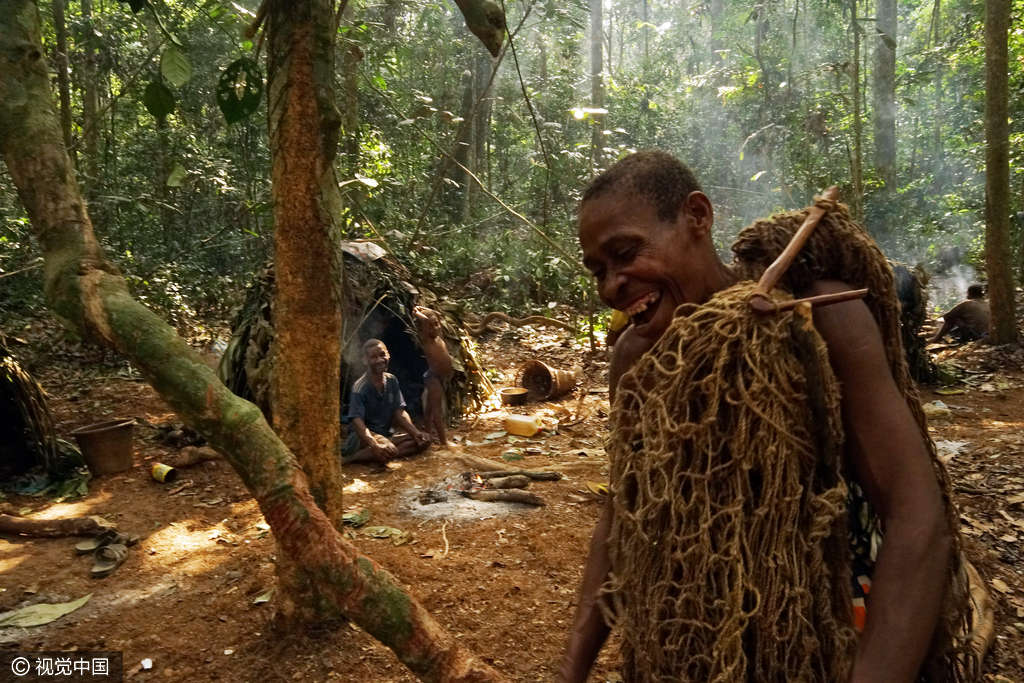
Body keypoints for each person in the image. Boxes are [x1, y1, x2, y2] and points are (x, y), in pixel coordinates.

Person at [558, 150, 986, 683]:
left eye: (625, 254)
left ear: (697, 216)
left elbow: (917, 517)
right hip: (695, 651)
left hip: (834, 634)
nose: (611, 286)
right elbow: (623, 513)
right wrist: (572, 667)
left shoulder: (816, 318)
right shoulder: (637, 359)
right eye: (598, 271)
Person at [342, 339, 430, 465]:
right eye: (373, 357)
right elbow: (357, 422)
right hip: (364, 435)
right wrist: (374, 445)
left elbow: (399, 412)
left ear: (388, 354)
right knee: (390, 449)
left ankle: (382, 454)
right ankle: (354, 458)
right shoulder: (360, 388)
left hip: (385, 433)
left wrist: (416, 433)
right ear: (365, 361)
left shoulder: (392, 380)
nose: (379, 360)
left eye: (382, 355)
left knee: (425, 439)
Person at [413, 305, 458, 448]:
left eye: (436, 324)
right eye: (430, 326)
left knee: (429, 410)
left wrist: (424, 308)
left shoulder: (439, 337)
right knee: (436, 411)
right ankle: (444, 442)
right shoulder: (427, 340)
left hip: (439, 377)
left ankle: (428, 435)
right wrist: (417, 312)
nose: (434, 327)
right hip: (433, 378)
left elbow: (438, 314)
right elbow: (426, 321)